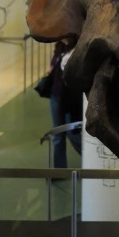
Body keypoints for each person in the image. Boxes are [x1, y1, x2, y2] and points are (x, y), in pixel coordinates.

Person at [48, 39, 83, 168]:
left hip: (72, 98)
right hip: (57, 96)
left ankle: (90, 161)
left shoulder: (79, 47)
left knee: (73, 133)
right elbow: (54, 65)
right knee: (58, 134)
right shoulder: (60, 47)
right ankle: (59, 169)